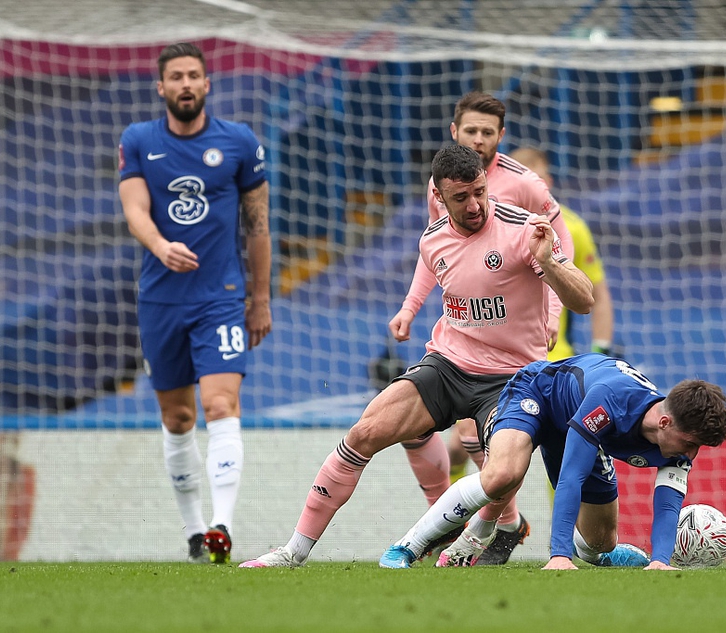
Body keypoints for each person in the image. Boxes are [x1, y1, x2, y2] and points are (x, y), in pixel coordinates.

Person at [240, 144, 593, 568]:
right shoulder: (433, 240)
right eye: (460, 198)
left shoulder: (523, 229)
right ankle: (292, 552)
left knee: (503, 471)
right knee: (364, 432)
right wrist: (408, 310)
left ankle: (472, 537)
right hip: (448, 365)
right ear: (439, 198)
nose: (475, 204)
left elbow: (584, 300)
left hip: (512, 378)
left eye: (479, 191)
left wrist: (549, 264)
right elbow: (435, 272)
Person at [403, 93, 577, 565]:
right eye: (471, 130)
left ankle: (522, 529)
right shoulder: (441, 186)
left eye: (488, 132)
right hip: (465, 333)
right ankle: (483, 522)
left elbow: (561, 247)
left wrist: (554, 313)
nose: (479, 138)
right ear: (454, 131)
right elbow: (436, 251)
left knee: (508, 437)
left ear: (501, 137)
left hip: (521, 335)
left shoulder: (526, 186)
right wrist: (410, 306)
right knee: (457, 434)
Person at [118, 42, 272, 564]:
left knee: (220, 405)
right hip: (160, 298)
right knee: (179, 418)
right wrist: (161, 246)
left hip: (221, 297)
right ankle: (194, 530)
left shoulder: (238, 142)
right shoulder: (138, 140)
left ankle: (222, 525)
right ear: (161, 88)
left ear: (208, 84)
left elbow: (257, 227)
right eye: (176, 77)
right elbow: (135, 208)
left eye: (194, 76)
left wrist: (261, 298)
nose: (186, 84)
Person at [379, 355, 726, 570]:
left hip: (578, 427)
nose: (691, 453)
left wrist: (661, 562)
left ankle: (599, 556)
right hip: (538, 394)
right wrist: (559, 555)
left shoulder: (680, 442)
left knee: (602, 542)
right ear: (666, 423)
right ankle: (405, 547)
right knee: (503, 473)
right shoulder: (609, 403)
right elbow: (570, 478)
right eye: (691, 443)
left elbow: (668, 502)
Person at [508, 147, 616, 361]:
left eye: (538, 180)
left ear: (548, 181)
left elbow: (599, 295)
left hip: (554, 360)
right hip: (496, 363)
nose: (532, 188)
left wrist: (600, 353)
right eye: (524, 181)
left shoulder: (572, 228)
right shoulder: (490, 225)